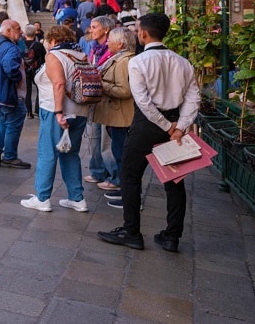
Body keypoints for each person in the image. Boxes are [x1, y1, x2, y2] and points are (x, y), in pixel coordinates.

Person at [99, 13, 200, 252]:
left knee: (130, 176)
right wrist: (180, 126)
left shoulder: (138, 62)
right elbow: (194, 97)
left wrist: (167, 126)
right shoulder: (182, 62)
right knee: (175, 181)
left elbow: (143, 101)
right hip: (174, 123)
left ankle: (131, 231)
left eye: (137, 30)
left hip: (148, 124)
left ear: (143, 33)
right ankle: (171, 236)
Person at [21, 25, 90, 213]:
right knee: (70, 154)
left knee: (48, 153)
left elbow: (59, 83)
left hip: (55, 110)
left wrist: (59, 112)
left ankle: (42, 197)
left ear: (52, 40)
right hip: (80, 111)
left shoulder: (55, 56)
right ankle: (77, 198)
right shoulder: (81, 55)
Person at [91, 26, 136, 201]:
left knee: (121, 153)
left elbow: (125, 90)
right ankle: (124, 188)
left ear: (121, 43)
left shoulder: (124, 61)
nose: (107, 42)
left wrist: (103, 86)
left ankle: (126, 191)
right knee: (118, 151)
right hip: (116, 115)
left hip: (121, 116)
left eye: (111, 39)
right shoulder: (119, 58)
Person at [0, 19, 30, 169]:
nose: (21, 32)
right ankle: (9, 156)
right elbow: (10, 67)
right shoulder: (11, 48)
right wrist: (18, 78)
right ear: (8, 31)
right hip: (9, 93)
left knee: (4, 120)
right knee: (14, 122)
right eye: (18, 28)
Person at [80, 15, 118, 184]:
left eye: (94, 27)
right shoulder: (94, 49)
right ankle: (97, 171)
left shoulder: (113, 50)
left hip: (107, 101)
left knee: (106, 141)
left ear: (106, 29)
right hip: (94, 100)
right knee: (94, 138)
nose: (91, 30)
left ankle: (112, 175)